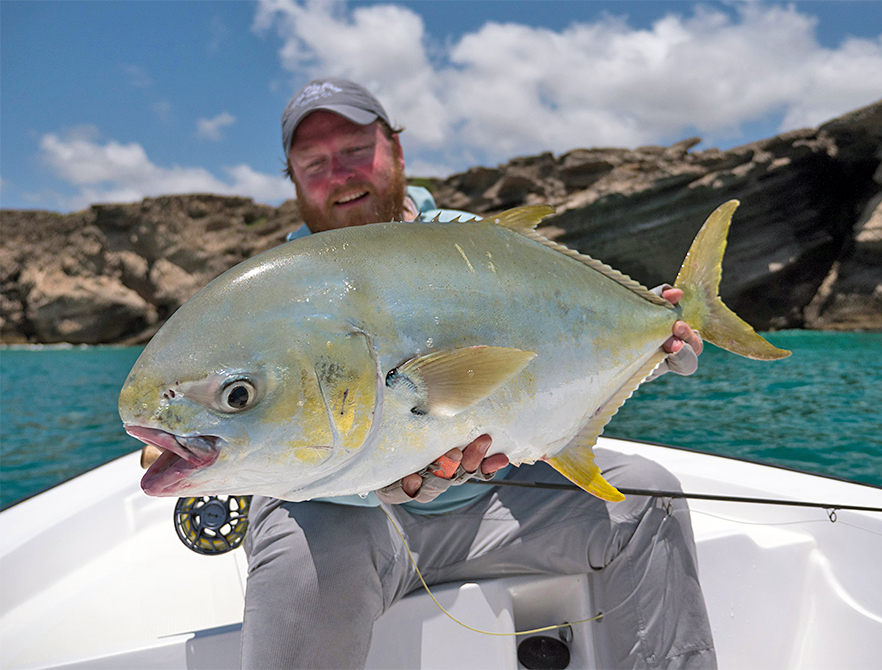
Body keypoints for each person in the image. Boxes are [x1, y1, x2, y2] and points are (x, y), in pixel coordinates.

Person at [240, 78, 716, 669]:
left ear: (397, 151)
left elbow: (557, 346)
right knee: (298, 553)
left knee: (647, 499)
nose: (341, 175)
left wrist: (649, 342)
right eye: (314, 162)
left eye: (356, 150)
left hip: (495, 499)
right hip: (350, 523)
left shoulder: (476, 242)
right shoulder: (273, 297)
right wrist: (373, 476)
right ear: (291, 179)